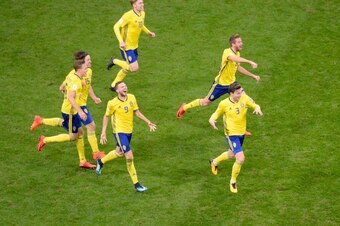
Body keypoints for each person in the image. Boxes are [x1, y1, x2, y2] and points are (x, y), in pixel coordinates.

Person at [176, 34, 260, 135]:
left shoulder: (237, 54)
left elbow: (238, 67)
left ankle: (240, 129)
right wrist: (249, 61)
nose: (241, 44)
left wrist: (253, 76)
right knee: (205, 102)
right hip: (220, 84)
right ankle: (184, 107)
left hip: (232, 83)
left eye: (241, 42)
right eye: (239, 42)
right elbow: (234, 59)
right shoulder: (227, 52)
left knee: (244, 100)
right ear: (233, 44)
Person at [31, 51, 106, 161]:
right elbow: (62, 87)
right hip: (76, 107)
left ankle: (41, 121)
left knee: (75, 130)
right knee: (85, 129)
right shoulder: (74, 75)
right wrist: (72, 98)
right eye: (88, 60)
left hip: (77, 106)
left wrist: (94, 98)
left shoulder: (87, 71)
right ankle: (95, 153)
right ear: (81, 63)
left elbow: (87, 85)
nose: (90, 61)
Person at [96, 82, 157, 192]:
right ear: (117, 91)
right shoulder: (112, 103)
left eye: (125, 86)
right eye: (122, 87)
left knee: (119, 152)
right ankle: (136, 184)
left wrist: (148, 122)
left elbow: (137, 112)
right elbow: (106, 116)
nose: (125, 87)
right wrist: (103, 132)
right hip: (119, 132)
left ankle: (101, 161)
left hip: (129, 131)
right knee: (129, 156)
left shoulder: (132, 97)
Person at [208, 83, 263, 193]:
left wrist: (257, 108)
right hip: (231, 134)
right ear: (231, 93)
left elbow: (255, 105)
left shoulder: (244, 98)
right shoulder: (224, 104)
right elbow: (216, 114)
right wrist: (212, 119)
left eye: (241, 91)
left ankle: (214, 162)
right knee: (240, 158)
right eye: (238, 93)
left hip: (241, 133)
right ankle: (232, 182)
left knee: (231, 154)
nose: (240, 94)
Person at [106, 0, 156, 90]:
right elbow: (116, 26)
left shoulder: (142, 13)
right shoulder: (127, 15)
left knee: (127, 68)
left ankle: (113, 85)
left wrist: (148, 32)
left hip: (135, 46)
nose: (142, 4)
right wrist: (121, 41)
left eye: (142, 2)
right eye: (140, 3)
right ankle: (114, 61)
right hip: (126, 47)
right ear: (134, 5)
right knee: (134, 68)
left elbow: (141, 24)